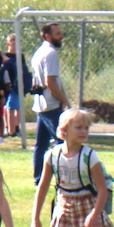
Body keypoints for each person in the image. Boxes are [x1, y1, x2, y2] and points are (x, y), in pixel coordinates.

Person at [30, 23, 68, 183]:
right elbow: (50, 82)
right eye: (58, 34)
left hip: (40, 104)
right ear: (48, 36)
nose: (61, 36)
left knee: (41, 146)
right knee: (63, 142)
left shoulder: (38, 52)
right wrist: (65, 101)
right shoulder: (51, 53)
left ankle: (39, 178)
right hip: (51, 104)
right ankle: (65, 177)